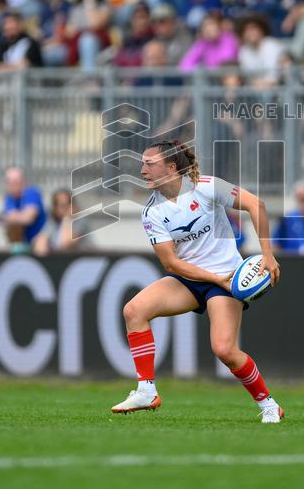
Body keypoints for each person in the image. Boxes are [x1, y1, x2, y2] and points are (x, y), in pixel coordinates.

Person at [112, 140, 284, 423]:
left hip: (228, 276)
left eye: (149, 164)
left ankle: (269, 405)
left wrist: (267, 254)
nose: (142, 170)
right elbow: (171, 264)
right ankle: (146, 390)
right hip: (192, 279)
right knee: (134, 310)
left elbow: (256, 204)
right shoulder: (152, 211)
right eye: (142, 164)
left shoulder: (206, 186)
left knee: (225, 350)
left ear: (171, 167)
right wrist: (215, 279)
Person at [0, 166, 47, 251]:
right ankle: (17, 250)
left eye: (17, 182)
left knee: (41, 240)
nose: (15, 186)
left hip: (40, 238)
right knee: (12, 225)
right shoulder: (9, 198)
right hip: (23, 240)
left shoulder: (31, 193)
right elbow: (12, 217)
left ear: (24, 181)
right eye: (11, 182)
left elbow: (28, 218)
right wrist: (7, 218)